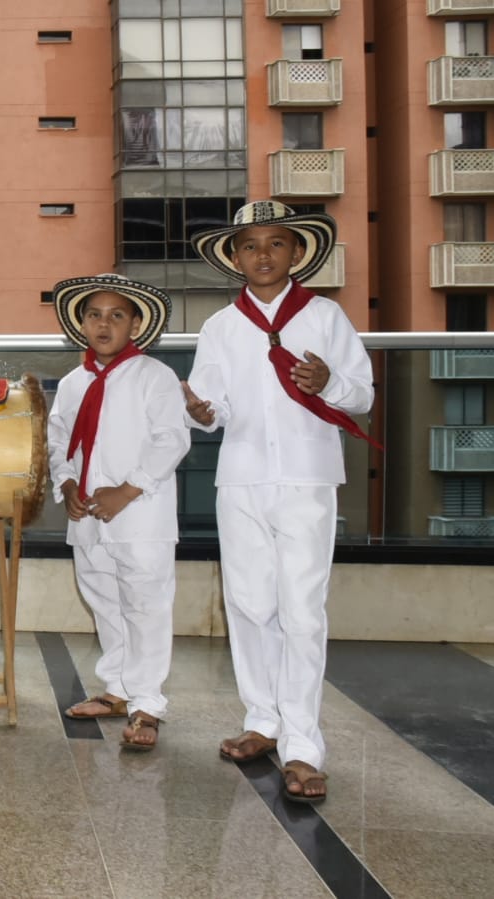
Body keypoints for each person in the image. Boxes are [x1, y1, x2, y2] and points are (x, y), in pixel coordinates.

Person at [185, 201, 377, 802]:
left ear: (296, 253)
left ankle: (302, 745)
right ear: (234, 257)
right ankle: (262, 721)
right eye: (250, 245)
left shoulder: (325, 316)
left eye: (276, 244)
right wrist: (203, 412)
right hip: (240, 477)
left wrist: (331, 384)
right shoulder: (220, 326)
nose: (262, 255)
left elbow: (363, 394)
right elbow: (215, 405)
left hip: (306, 478)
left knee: (302, 608)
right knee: (246, 603)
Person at [46, 274, 189, 751]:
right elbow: (59, 439)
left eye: (116, 315)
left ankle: (147, 702)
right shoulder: (72, 383)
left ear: (136, 324)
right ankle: (117, 690)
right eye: (94, 315)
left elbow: (172, 439)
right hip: (86, 513)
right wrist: (65, 483)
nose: (103, 324)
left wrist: (126, 491)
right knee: (104, 599)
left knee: (145, 604)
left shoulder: (154, 376)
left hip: (140, 514)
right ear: (80, 323)